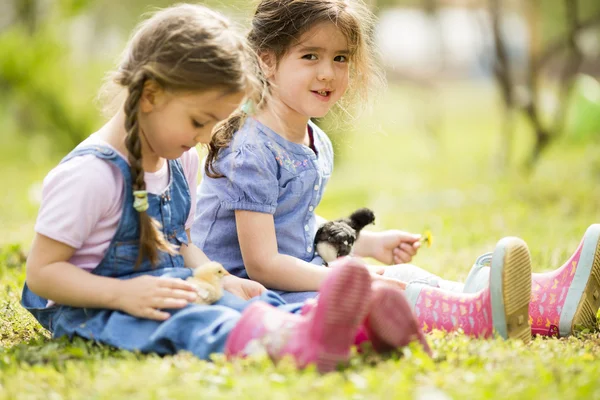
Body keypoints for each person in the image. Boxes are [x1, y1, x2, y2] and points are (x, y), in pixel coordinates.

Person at [19, 4, 427, 374]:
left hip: (170, 285)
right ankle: (298, 345)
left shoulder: (181, 159)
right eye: (199, 121)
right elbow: (42, 275)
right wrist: (122, 294)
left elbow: (182, 243)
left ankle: (347, 331)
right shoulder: (92, 174)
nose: (206, 136)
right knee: (195, 321)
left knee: (250, 302)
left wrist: (215, 276)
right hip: (93, 308)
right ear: (150, 95)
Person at [191, 0, 533, 343]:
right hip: (252, 292)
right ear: (267, 61)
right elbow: (262, 264)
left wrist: (366, 243)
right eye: (310, 55)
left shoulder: (315, 139)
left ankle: (501, 298)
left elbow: (293, 221)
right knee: (376, 295)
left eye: (340, 58)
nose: (328, 72)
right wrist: (348, 279)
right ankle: (477, 315)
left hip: (295, 275)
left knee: (402, 274)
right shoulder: (251, 152)